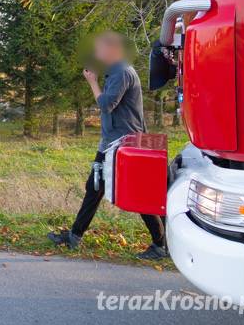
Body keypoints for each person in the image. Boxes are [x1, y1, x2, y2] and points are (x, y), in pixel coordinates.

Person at [47, 31, 167, 260]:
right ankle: (74, 236)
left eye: (100, 48)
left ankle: (160, 244)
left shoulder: (122, 72)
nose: (97, 53)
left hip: (125, 144)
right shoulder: (117, 72)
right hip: (112, 143)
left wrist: (92, 82)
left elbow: (106, 104)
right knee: (94, 188)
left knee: (138, 193)